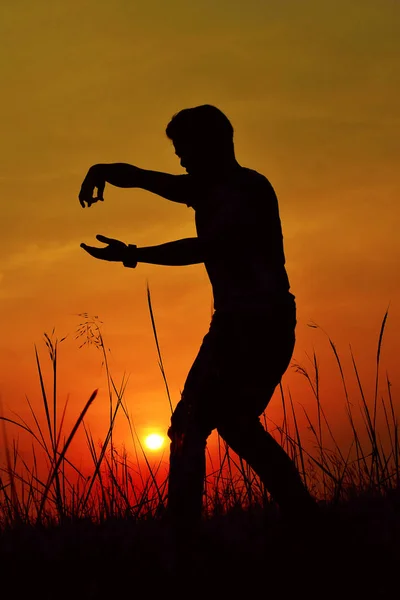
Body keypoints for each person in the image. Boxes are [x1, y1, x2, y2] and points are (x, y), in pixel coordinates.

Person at [79, 104, 317, 540]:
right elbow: (154, 180)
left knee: (190, 425)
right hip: (250, 321)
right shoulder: (213, 188)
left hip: (252, 323)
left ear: (213, 145)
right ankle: (307, 521)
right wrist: (107, 169)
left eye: (186, 150)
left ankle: (183, 537)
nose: (182, 161)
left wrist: (133, 254)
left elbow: (204, 248)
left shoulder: (242, 191)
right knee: (235, 424)